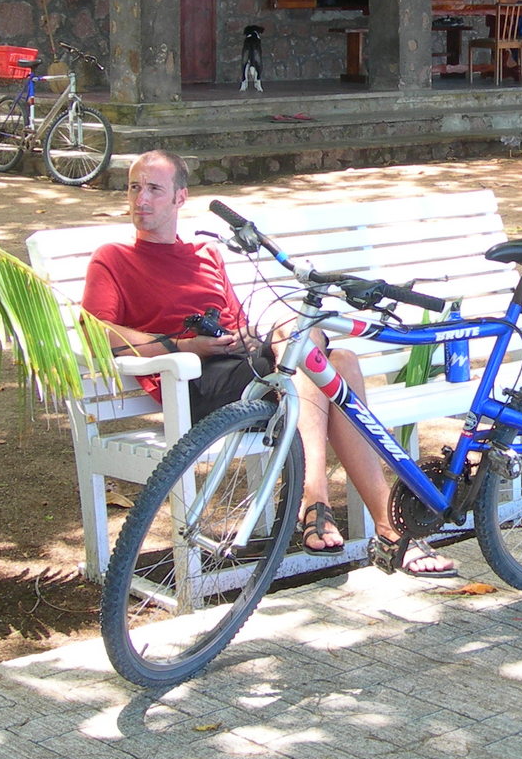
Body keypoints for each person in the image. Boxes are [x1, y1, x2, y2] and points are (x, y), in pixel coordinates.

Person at [81, 149, 457, 577]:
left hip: (241, 368)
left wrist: (242, 336)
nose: (141, 199)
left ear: (179, 197)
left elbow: (237, 320)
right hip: (191, 384)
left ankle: (359, 519)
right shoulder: (113, 258)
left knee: (338, 358)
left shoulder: (205, 254)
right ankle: (331, 505)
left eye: (153, 189)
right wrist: (186, 346)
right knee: (320, 356)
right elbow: (98, 334)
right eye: (134, 188)